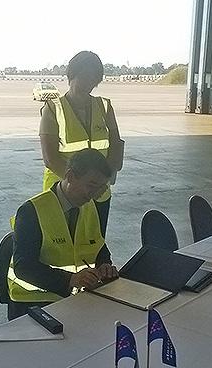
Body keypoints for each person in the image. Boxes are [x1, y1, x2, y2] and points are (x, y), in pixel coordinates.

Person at [8, 148, 118, 319]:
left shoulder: (89, 207)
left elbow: (98, 246)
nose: (95, 194)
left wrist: (104, 265)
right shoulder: (32, 210)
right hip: (34, 303)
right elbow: (24, 268)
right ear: (71, 176)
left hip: (74, 299)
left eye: (101, 188)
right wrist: (70, 280)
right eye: (91, 186)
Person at [39, 51, 124, 238]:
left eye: (94, 78)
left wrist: (100, 184)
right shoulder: (53, 108)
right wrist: (79, 188)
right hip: (65, 195)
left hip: (99, 193)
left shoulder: (105, 107)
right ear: (72, 75)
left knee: (95, 243)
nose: (89, 83)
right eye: (84, 76)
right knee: (64, 245)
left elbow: (116, 145)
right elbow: (50, 158)